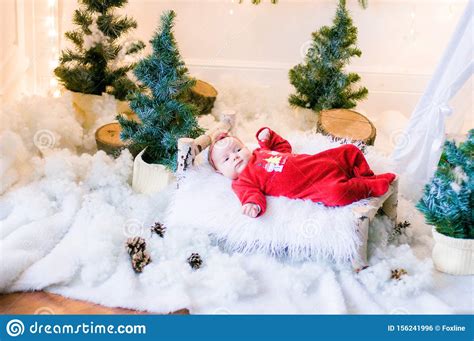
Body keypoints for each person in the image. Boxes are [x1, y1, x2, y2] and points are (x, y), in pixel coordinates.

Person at [208, 127, 396, 218]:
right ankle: (368, 187)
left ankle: (365, 175)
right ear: (220, 173)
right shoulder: (242, 182)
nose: (234, 157)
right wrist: (252, 206)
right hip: (316, 185)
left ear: (246, 147)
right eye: (226, 159)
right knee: (337, 194)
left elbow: (283, 147)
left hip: (319, 162)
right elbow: (251, 195)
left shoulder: (261, 152)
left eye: (237, 150)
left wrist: (269, 137)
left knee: (350, 151)